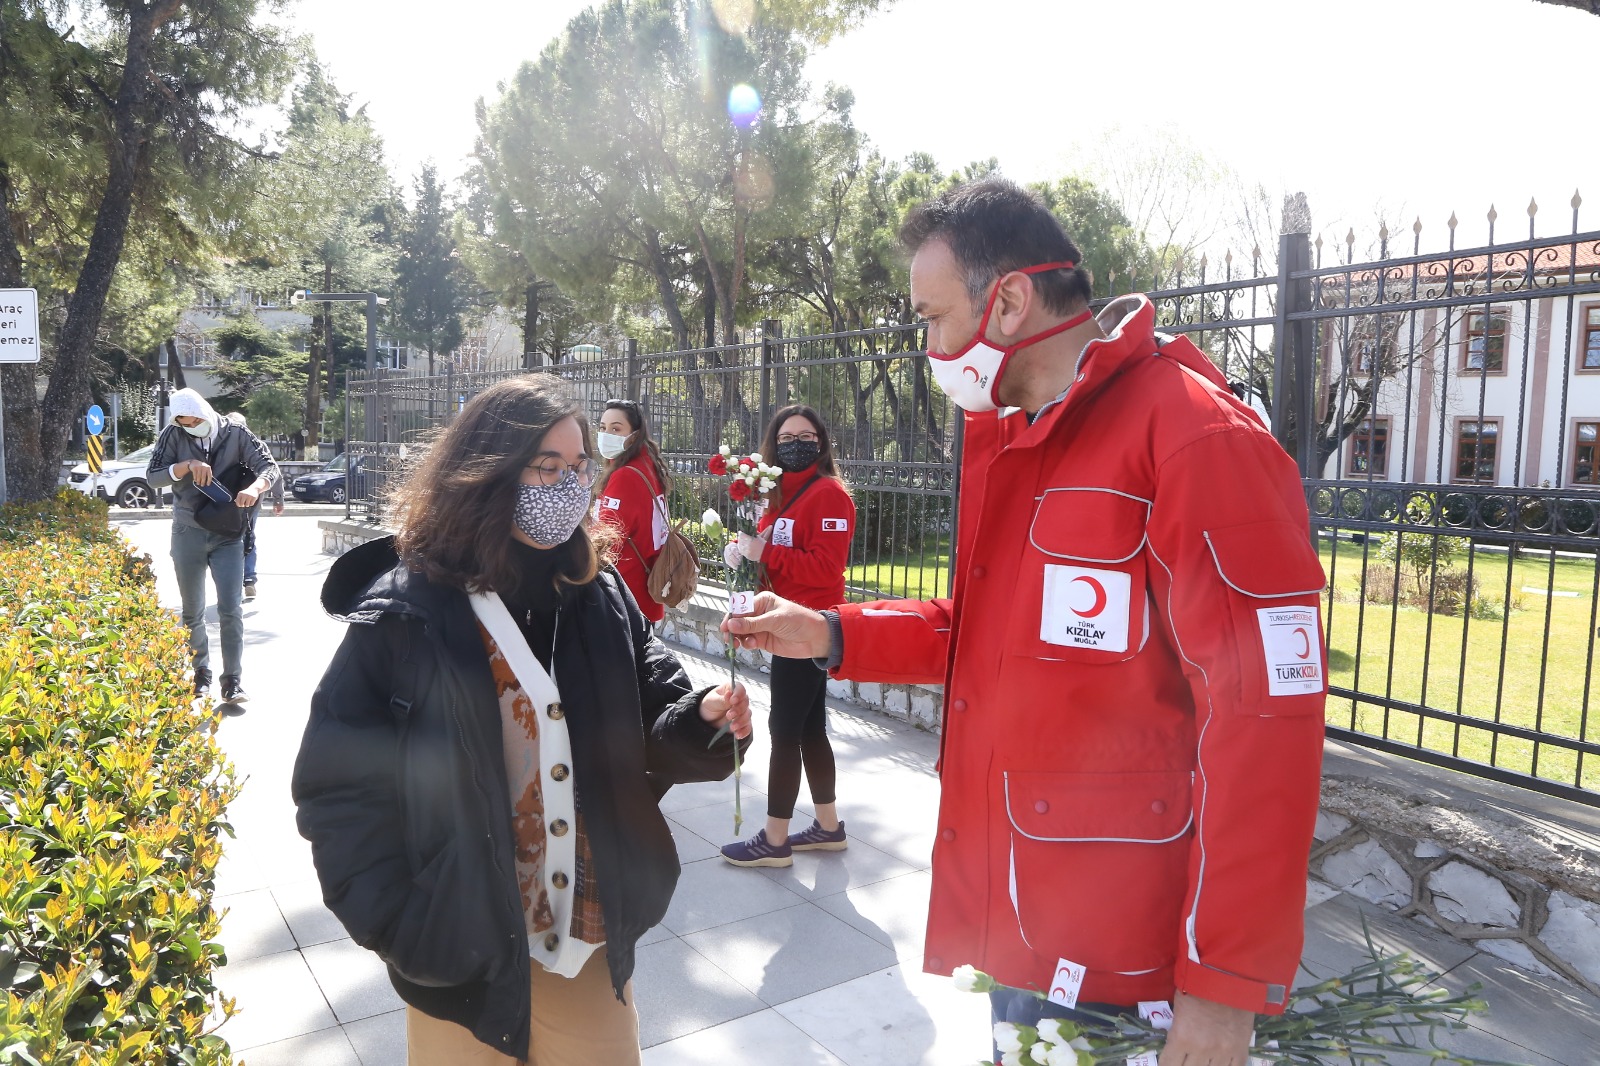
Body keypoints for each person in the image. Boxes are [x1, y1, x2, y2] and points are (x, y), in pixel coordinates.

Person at [721, 178, 1327, 1066]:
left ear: (1006, 300)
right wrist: (832, 631)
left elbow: (1267, 718)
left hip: (1136, 958)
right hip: (1029, 919)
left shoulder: (1196, 437)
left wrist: (1222, 988)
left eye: (932, 318)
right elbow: (989, 632)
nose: (927, 346)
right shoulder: (1012, 437)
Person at [291, 375, 753, 1066]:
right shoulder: (407, 611)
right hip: (459, 948)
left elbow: (653, 715)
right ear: (487, 472)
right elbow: (337, 786)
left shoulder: (598, 593)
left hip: (584, 937)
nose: (569, 485)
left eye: (578, 467)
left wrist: (703, 722)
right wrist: (400, 923)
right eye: (547, 467)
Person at [718, 405, 856, 869]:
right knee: (810, 729)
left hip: (807, 627)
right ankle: (828, 826)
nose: (796, 443)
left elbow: (824, 568)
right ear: (774, 446)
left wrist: (766, 552)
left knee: (784, 731)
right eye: (786, 436)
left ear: (821, 442)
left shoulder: (830, 495)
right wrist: (746, 554)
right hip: (781, 623)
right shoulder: (775, 495)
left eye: (806, 435)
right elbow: (771, 551)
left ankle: (775, 839)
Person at [147, 388, 280, 705]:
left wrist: (255, 487)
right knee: (192, 611)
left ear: (204, 411)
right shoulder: (173, 434)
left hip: (227, 532)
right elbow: (153, 477)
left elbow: (269, 467)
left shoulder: (235, 432)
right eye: (183, 423)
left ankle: (232, 680)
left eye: (193, 420)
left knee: (230, 610)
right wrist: (187, 465)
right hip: (187, 530)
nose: (190, 426)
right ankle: (200, 674)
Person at [592, 399, 671, 626]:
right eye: (603, 428)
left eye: (616, 429)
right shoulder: (647, 466)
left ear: (634, 435)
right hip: (644, 592)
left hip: (623, 594)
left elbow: (606, 541)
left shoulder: (625, 475)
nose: (607, 434)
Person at [240, 418, 286, 602]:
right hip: (252, 501)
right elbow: (274, 472)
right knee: (249, 537)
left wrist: (278, 499)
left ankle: (240, 580)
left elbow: (272, 471)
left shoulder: (254, 446)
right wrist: (278, 499)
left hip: (239, 501)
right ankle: (248, 578)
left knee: (236, 539)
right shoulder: (258, 445)